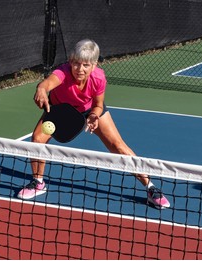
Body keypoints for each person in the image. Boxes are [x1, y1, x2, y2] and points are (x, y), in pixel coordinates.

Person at [17, 39, 170, 209]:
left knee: (118, 146)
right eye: (76, 64)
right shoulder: (63, 72)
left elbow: (98, 105)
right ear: (70, 61)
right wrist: (41, 89)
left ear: (94, 65)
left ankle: (150, 187)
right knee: (37, 140)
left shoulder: (98, 78)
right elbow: (47, 84)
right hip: (61, 111)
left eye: (85, 65)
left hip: (89, 111)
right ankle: (38, 182)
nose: (79, 69)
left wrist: (94, 116)